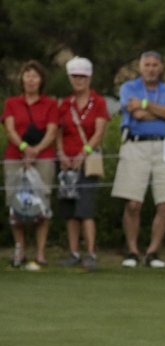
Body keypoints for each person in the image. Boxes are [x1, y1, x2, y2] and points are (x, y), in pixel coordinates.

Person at [111, 51, 165, 268]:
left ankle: (153, 252)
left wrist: (145, 105)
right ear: (141, 67)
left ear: (161, 68)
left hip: (163, 145)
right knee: (133, 202)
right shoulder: (129, 88)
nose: (151, 69)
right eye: (147, 65)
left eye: (155, 65)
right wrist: (159, 112)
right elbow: (135, 114)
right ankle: (132, 251)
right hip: (136, 143)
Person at [2, 60, 59, 270]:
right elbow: (10, 129)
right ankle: (20, 249)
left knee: (41, 203)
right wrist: (25, 147)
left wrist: (36, 150)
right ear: (22, 79)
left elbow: (52, 131)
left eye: (35, 76)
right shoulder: (11, 103)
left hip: (43, 156)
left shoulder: (50, 104)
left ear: (41, 80)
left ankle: (41, 252)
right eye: (27, 75)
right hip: (15, 156)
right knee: (16, 204)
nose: (31, 80)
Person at [56, 57, 110, 270]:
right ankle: (74, 252)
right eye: (75, 77)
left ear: (89, 79)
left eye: (82, 77)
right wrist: (60, 153)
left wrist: (83, 153)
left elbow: (99, 131)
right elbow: (58, 131)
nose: (79, 81)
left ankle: (91, 253)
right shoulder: (65, 104)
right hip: (66, 162)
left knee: (85, 209)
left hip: (87, 161)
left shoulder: (98, 103)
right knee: (69, 209)